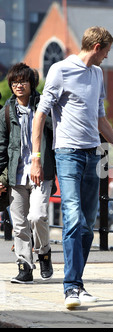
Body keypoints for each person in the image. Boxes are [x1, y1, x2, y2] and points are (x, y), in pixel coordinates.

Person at [30, 26, 113, 308]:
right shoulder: (60, 70)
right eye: (106, 51)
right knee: (72, 217)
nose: (106, 57)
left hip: (93, 155)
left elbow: (101, 119)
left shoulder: (97, 74)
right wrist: (35, 156)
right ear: (97, 47)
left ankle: (77, 284)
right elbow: (40, 115)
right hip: (67, 154)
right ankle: (70, 288)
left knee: (88, 225)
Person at [0, 63, 56, 284]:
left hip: (42, 172)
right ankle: (24, 266)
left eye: (22, 81)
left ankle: (44, 253)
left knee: (37, 216)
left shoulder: (44, 107)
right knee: (20, 224)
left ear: (32, 84)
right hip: (16, 174)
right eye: (14, 82)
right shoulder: (5, 112)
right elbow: (1, 146)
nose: (18, 85)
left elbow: (55, 136)